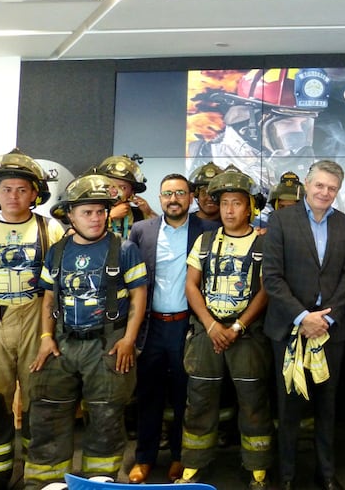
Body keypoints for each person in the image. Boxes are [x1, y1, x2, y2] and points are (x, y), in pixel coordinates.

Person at [24, 173, 147, 489]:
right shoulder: (58, 251)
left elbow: (138, 295)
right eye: (86, 212)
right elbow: (49, 296)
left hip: (107, 344)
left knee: (106, 415)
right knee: (47, 412)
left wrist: (129, 340)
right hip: (63, 343)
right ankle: (47, 482)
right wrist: (45, 337)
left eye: (100, 211)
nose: (96, 218)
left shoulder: (125, 248)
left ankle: (100, 480)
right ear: (71, 216)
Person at [0, 149, 64, 490]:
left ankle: (42, 475)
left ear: (35, 193)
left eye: (22, 189)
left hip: (36, 316)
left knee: (41, 396)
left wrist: (53, 333)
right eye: (6, 189)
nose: (13, 196)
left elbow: (60, 284)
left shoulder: (50, 229)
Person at [174, 166, 274, 487]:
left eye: (238, 203)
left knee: (253, 399)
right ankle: (193, 465)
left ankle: (257, 468)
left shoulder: (263, 244)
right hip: (207, 333)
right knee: (200, 398)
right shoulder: (204, 242)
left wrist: (238, 327)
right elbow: (191, 285)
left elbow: (266, 290)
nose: (230, 210)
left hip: (247, 335)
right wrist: (211, 325)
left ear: (250, 208)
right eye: (225, 202)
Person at [262, 160, 345, 490]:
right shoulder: (280, 220)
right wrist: (303, 318)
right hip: (290, 329)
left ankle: (326, 474)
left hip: (330, 331)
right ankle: (287, 476)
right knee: (288, 408)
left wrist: (326, 319)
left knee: (327, 407)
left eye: (332, 188)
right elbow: (271, 277)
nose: (325, 193)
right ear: (307, 183)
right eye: (320, 185)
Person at [126, 174, 218, 483]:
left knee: (186, 396)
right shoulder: (141, 231)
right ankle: (144, 459)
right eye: (167, 194)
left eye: (180, 193)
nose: (173, 199)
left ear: (191, 197)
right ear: (160, 198)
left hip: (187, 327)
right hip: (151, 327)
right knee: (148, 394)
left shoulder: (208, 231)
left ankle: (181, 457)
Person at [97, 154, 155, 236]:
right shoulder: (93, 211)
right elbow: (74, 233)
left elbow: (164, 233)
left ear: (132, 192)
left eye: (123, 187)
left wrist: (150, 212)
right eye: (111, 186)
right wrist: (109, 217)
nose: (115, 191)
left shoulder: (140, 214)